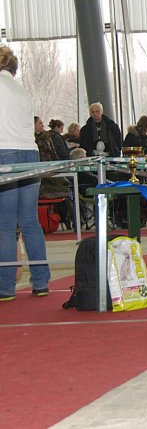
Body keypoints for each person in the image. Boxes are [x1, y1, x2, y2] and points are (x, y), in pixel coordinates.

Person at [0, 46, 50, 301]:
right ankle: (41, 282)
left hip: (5, 152)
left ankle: (5, 287)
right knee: (30, 221)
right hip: (30, 153)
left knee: (6, 224)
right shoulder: (20, 90)